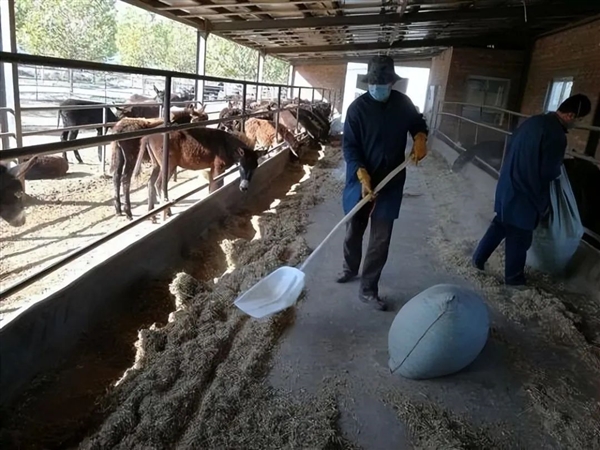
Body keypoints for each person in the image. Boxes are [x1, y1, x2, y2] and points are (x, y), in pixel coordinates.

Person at [337, 55, 428, 311]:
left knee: (381, 238)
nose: (379, 87)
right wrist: (360, 173)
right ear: (369, 83)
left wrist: (421, 137)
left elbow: (417, 122)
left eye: (384, 83)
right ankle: (349, 268)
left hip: (391, 180)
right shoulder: (356, 110)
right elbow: (350, 147)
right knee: (354, 229)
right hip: (361, 181)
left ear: (391, 83)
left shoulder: (403, 104)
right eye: (375, 83)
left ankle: (368, 289)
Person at [472, 94, 592, 286]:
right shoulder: (556, 135)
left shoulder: (533, 122)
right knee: (519, 236)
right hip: (526, 192)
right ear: (570, 115)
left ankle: (477, 259)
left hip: (507, 185)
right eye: (579, 119)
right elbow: (549, 171)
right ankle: (514, 281)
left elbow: (511, 146)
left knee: (500, 224)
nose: (577, 124)